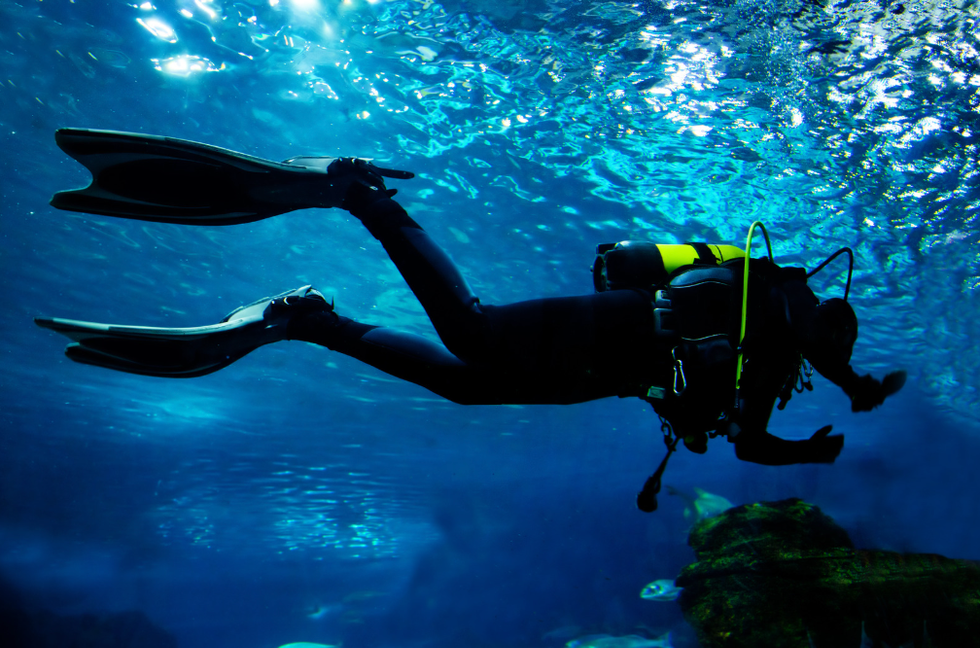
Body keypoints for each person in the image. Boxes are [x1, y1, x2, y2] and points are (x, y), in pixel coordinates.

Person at [36, 129, 905, 509]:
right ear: (832, 322)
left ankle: (310, 321)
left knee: (465, 385)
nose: (830, 352)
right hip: (623, 327)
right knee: (473, 331)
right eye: (838, 339)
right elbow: (814, 334)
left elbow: (750, 446)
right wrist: (857, 384)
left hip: (611, 375)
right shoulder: (783, 297)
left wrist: (809, 450)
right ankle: (361, 197)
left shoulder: (769, 373)